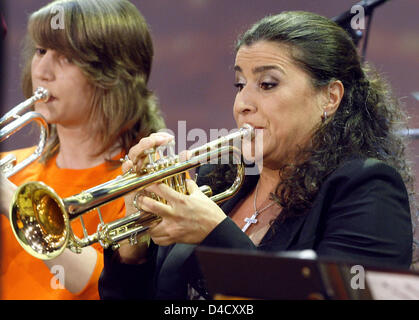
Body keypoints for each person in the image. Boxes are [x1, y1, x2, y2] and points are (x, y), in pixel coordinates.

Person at [99, 11, 415, 300]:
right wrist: (134, 248)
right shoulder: (219, 178)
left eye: (267, 84)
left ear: (329, 97)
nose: (242, 104)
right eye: (240, 84)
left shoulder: (366, 188)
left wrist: (214, 234)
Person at [0, 0, 165, 299]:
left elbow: (107, 286)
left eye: (66, 57)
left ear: (114, 74)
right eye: (40, 51)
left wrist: (11, 200)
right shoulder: (11, 167)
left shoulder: (146, 182)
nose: (43, 71)